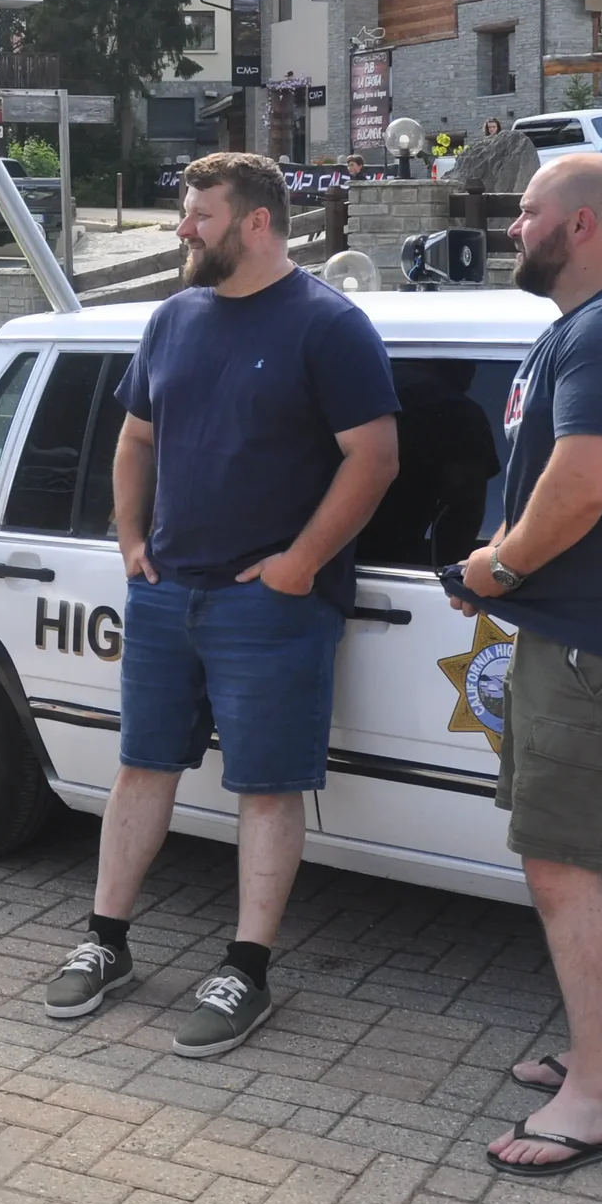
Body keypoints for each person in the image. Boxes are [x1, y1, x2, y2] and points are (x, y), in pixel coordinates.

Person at [42, 150, 399, 1056]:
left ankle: (247, 966)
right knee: (142, 768)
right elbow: (135, 437)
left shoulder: (330, 325)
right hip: (167, 595)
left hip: (272, 606)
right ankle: (106, 941)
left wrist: (299, 565)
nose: (182, 228)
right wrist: (130, 542)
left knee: (267, 788)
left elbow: (375, 457)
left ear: (256, 223)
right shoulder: (173, 319)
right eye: (184, 212)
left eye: (199, 214)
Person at [445, 153, 602, 1179]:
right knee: (585, 858)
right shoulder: (590, 329)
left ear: (583, 225)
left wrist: (496, 568)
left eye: (527, 211)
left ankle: (593, 1098)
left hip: (600, 651)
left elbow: (582, 489)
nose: (514, 226)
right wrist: (503, 576)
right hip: (585, 644)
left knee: (560, 869)